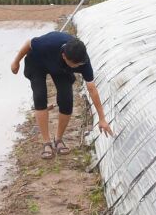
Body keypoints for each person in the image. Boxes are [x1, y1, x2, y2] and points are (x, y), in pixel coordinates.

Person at [11, 31, 113, 159]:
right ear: (65, 56)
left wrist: (102, 118)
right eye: (76, 65)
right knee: (40, 97)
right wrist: (16, 62)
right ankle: (46, 142)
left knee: (66, 100)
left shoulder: (82, 60)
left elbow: (92, 89)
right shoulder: (47, 44)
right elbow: (28, 44)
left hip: (61, 69)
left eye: (80, 64)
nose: (79, 67)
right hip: (38, 62)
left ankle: (58, 139)